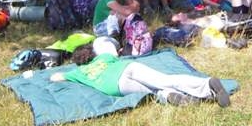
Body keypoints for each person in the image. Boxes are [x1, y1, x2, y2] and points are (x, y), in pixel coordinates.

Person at [49, 45, 231, 107]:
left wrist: (69, 70)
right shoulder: (103, 57)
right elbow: (115, 54)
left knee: (152, 91)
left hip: (117, 85)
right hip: (128, 67)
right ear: (92, 54)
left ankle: (175, 96)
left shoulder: (78, 72)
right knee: (164, 81)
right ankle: (204, 87)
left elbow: (55, 77)